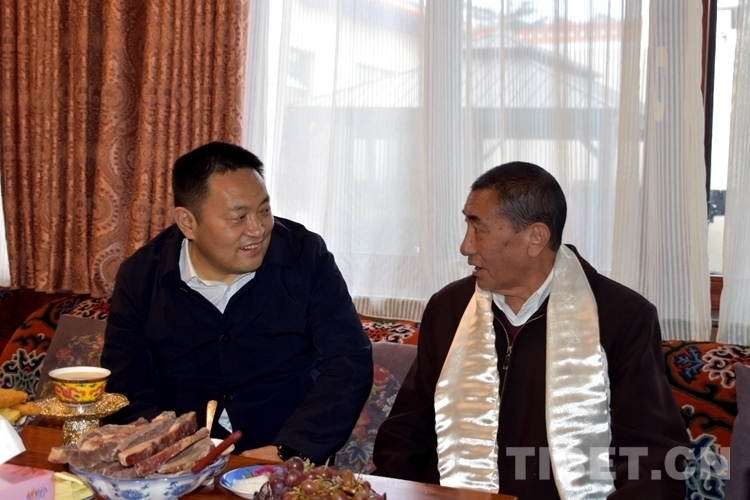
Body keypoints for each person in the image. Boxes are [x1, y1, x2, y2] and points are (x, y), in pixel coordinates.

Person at [372, 162, 688, 499]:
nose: (466, 246)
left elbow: (653, 458)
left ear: (535, 237)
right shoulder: (449, 308)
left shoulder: (621, 318)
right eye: (467, 225)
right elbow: (407, 432)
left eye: (479, 229)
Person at [101, 141, 373, 465]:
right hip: (177, 464)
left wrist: (290, 449)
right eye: (238, 217)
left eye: (264, 210)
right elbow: (127, 384)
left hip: (284, 458)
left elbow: (348, 362)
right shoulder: (142, 275)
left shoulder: (304, 257)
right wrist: (166, 454)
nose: (257, 230)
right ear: (188, 222)